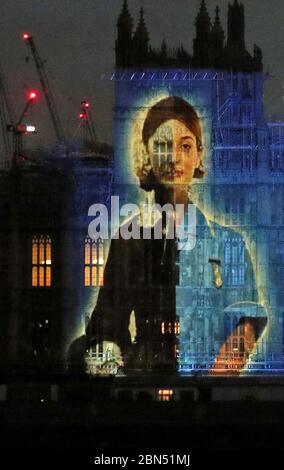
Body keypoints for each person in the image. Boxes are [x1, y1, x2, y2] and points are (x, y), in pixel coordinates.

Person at [68, 96, 267, 375]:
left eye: (185, 146)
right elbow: (108, 322)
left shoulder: (229, 242)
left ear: (198, 153)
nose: (174, 158)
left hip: (206, 374)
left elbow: (247, 317)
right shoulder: (130, 237)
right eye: (162, 146)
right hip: (144, 372)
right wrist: (114, 369)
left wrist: (215, 376)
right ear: (146, 154)